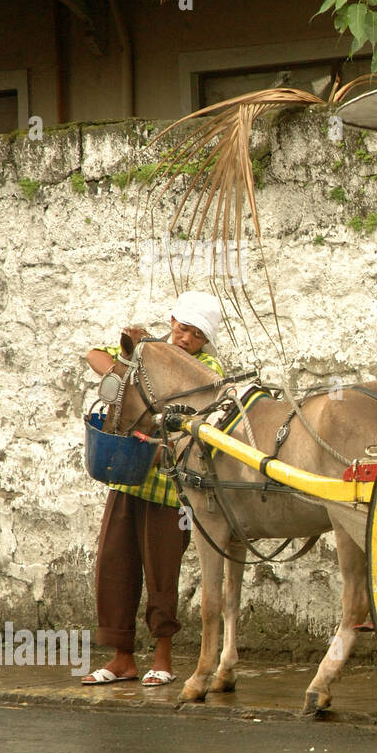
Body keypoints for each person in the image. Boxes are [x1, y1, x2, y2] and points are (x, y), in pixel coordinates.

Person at [81, 291, 224, 686]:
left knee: (163, 573)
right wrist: (120, 375)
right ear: (172, 322)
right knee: (115, 566)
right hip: (127, 479)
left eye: (195, 335)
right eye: (182, 329)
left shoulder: (207, 369)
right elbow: (95, 354)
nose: (185, 339)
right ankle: (121, 658)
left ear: (205, 341)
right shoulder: (147, 352)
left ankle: (162, 658)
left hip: (169, 492)